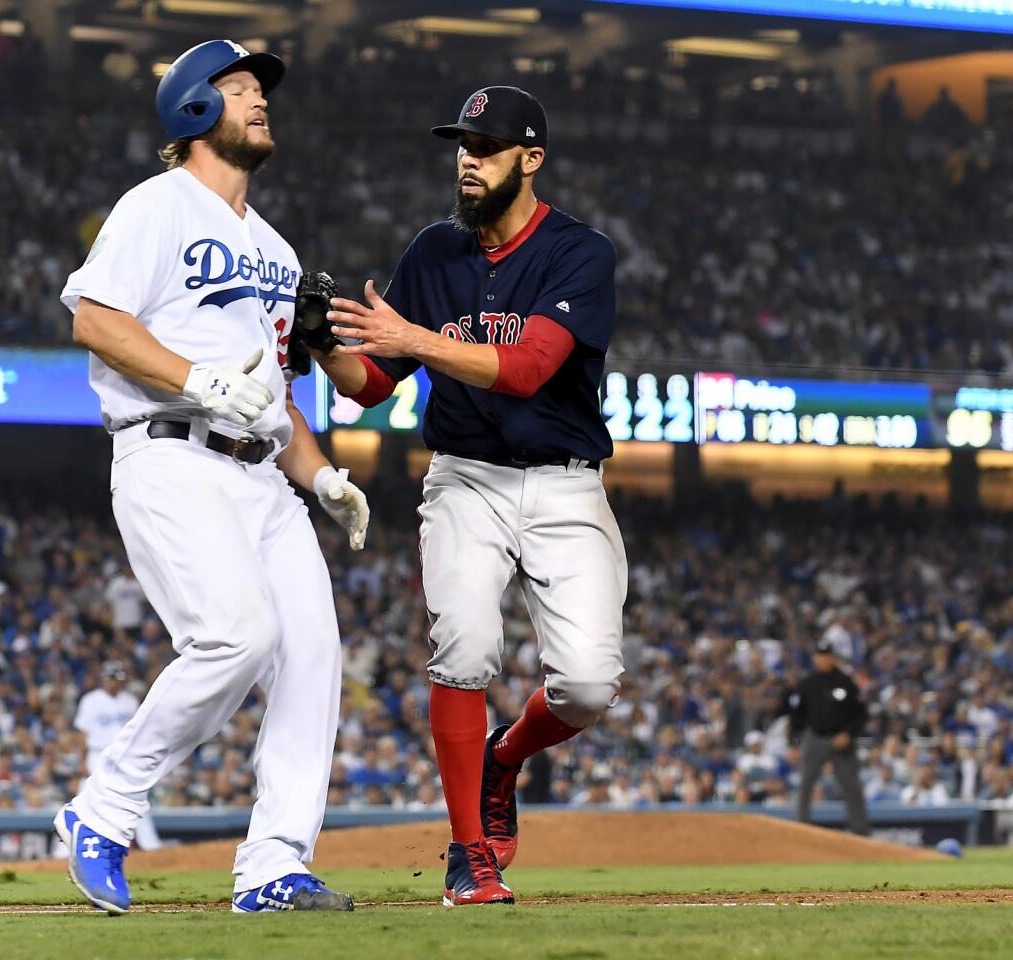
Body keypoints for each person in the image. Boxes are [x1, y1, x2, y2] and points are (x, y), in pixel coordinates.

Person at [52, 38, 368, 916]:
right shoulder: (155, 206)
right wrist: (197, 379)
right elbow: (97, 322)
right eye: (237, 89)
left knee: (312, 660)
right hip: (170, 452)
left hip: (263, 474)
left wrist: (324, 478)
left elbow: (276, 397)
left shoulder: (274, 245)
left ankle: (273, 866)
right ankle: (103, 809)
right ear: (192, 108)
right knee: (237, 635)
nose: (259, 100)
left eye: (260, 90)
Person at [317, 85, 627, 906]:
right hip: (465, 478)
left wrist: (415, 338)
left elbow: (526, 369)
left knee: (588, 687)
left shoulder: (578, 253)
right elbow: (368, 386)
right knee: (462, 650)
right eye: (462, 142)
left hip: (564, 484)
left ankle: (504, 756)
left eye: (486, 146)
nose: (467, 157)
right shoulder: (432, 252)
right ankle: (466, 853)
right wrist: (320, 342)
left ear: (530, 159)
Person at [74, 661, 162, 850]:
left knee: (136, 796)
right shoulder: (90, 700)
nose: (116, 683)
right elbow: (82, 733)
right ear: (105, 678)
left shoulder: (129, 700)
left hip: (125, 756)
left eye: (119, 679)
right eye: (113, 679)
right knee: (86, 796)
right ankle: (66, 847)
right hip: (97, 754)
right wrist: (82, 760)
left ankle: (151, 846)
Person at [787, 638, 869, 835]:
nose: (823, 659)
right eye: (819, 656)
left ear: (832, 657)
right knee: (805, 784)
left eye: (826, 656)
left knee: (851, 786)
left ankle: (860, 832)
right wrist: (793, 743)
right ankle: (802, 829)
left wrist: (849, 733)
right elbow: (797, 715)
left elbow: (861, 714)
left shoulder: (846, 682)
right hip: (814, 737)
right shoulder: (808, 683)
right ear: (815, 658)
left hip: (841, 740)